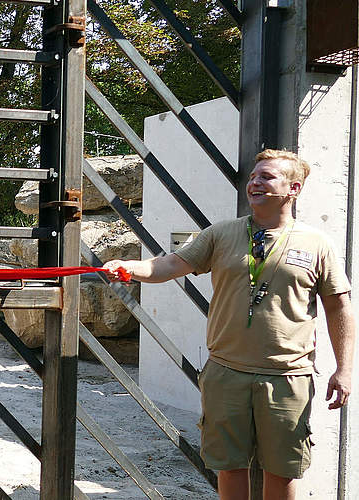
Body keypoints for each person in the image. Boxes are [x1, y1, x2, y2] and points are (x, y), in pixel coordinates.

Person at [104, 149, 355, 500]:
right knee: (229, 467)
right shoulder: (221, 234)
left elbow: (339, 307)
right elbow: (170, 266)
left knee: (282, 472)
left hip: (286, 378)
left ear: (294, 189)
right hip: (226, 373)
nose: (254, 182)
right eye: (253, 177)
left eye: (266, 177)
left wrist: (344, 369)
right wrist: (131, 268)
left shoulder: (317, 244)